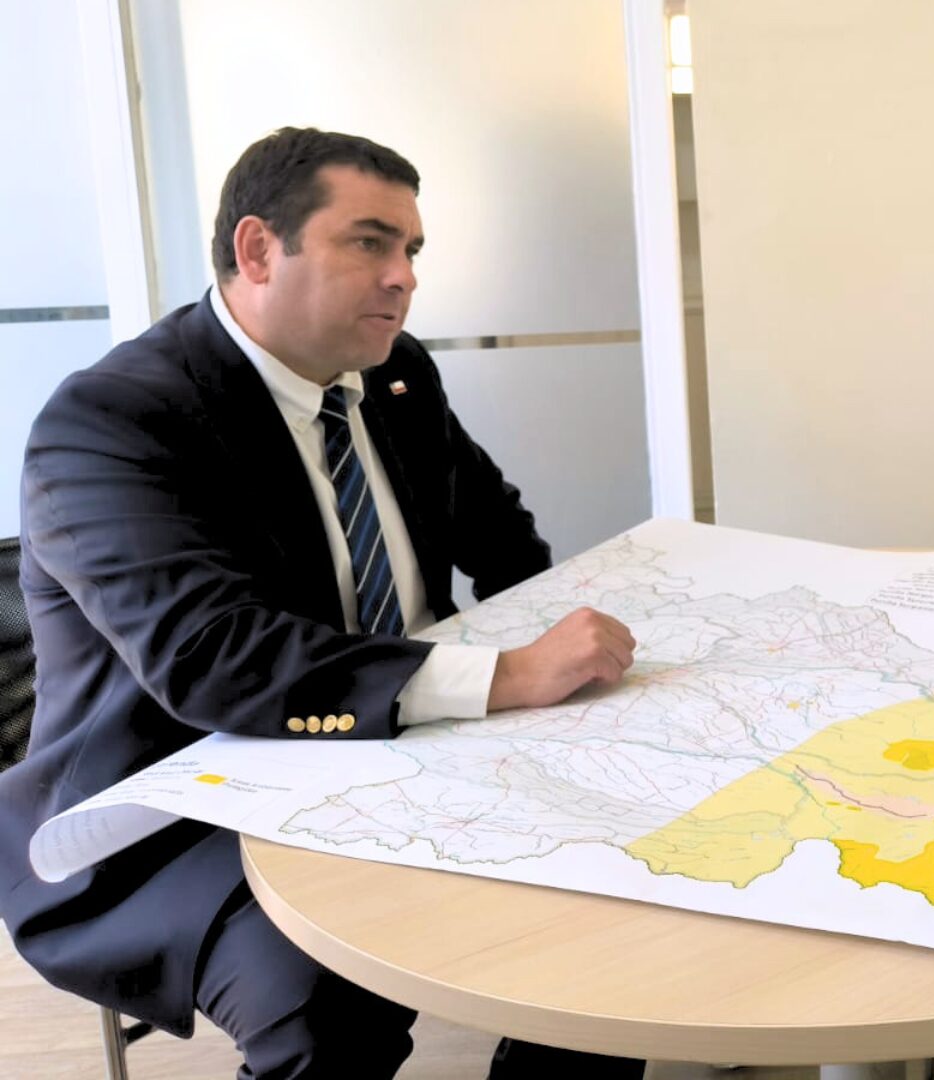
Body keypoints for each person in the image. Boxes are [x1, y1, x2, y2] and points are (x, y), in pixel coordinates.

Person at [0, 128, 644, 1078]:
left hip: (405, 754)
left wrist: (573, 693)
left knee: (618, 896)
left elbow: (504, 539)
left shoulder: (395, 373)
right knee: (329, 1006)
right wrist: (507, 675)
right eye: (370, 242)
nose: (404, 277)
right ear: (259, 249)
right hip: (186, 802)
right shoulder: (112, 419)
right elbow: (213, 660)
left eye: (412, 249)